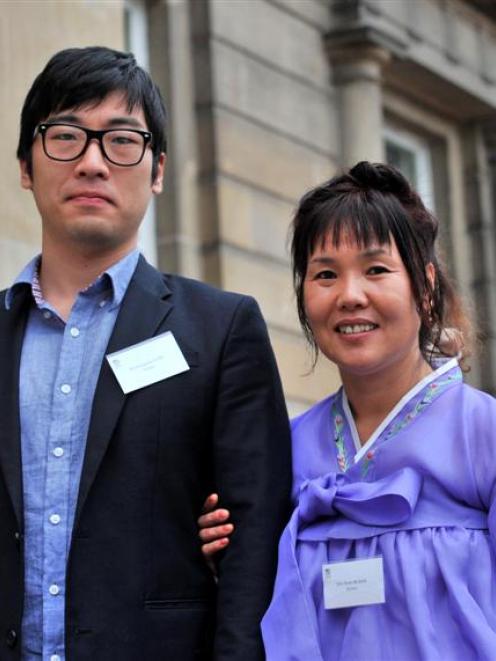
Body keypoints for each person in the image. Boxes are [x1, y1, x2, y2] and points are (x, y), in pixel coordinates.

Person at [0, 46, 292, 661]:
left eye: (122, 141)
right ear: (26, 164)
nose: (92, 163)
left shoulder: (220, 329)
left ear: (157, 171)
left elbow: (256, 537)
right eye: (66, 136)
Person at [199, 161, 496, 660]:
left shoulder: (482, 431)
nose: (349, 296)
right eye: (325, 275)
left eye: (376, 269)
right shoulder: (284, 447)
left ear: (425, 287)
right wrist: (225, 554)